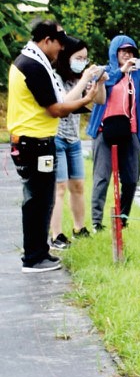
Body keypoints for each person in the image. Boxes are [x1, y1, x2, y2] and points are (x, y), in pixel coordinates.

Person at [7, 21, 103, 271]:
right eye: (59, 44)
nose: (61, 50)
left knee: (42, 198)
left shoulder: (30, 61)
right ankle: (33, 257)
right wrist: (87, 99)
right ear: (47, 40)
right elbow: (56, 109)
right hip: (34, 142)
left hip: (35, 141)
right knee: (38, 200)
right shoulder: (33, 66)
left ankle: (40, 252)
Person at [87, 34, 140, 233]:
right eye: (123, 51)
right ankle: (97, 222)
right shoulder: (104, 71)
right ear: (115, 53)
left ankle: (122, 219)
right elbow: (103, 84)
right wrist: (121, 71)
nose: (127, 55)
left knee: (131, 179)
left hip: (130, 131)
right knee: (101, 178)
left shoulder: (138, 74)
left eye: (131, 51)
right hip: (103, 130)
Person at [47, 34, 99, 250]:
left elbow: (99, 101)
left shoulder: (77, 79)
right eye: (79, 58)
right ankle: (56, 235)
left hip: (74, 139)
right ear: (67, 56)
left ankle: (79, 228)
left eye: (85, 59)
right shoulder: (55, 77)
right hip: (56, 137)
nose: (83, 63)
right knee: (59, 187)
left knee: (77, 185)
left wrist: (99, 83)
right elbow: (64, 102)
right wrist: (85, 80)